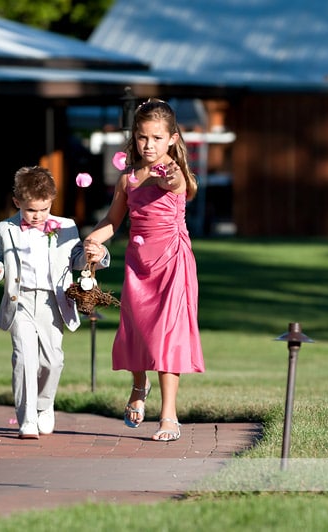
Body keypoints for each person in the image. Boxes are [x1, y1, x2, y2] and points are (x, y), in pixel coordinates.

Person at [83, 98, 205, 442]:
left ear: (172, 139)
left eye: (156, 137)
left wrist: (169, 174)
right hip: (139, 266)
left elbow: (177, 183)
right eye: (142, 137)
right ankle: (139, 384)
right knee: (136, 330)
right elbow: (112, 221)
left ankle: (169, 415)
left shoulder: (174, 173)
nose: (148, 145)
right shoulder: (128, 180)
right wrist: (94, 239)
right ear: (134, 138)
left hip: (172, 263)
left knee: (168, 335)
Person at [0, 166, 109, 439]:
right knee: (24, 359)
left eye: (44, 209)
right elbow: (0, 261)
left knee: (52, 361)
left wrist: (94, 254)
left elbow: (77, 260)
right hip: (20, 300)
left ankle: (44, 405)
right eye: (31, 210)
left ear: (51, 202)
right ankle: (26, 419)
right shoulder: (4, 229)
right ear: (17, 203)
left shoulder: (66, 227)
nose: (37, 216)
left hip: (54, 301)